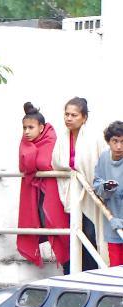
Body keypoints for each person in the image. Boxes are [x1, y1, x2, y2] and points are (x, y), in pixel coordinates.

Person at [51, 97, 105, 271]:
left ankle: (93, 272)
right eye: (66, 114)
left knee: (90, 233)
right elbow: (56, 162)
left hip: (89, 193)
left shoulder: (94, 138)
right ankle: (73, 273)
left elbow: (98, 163)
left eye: (74, 115)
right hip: (68, 193)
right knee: (71, 235)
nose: (69, 118)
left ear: (84, 117)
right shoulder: (62, 139)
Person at [17, 102, 70, 270]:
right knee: (44, 226)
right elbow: (25, 166)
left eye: (30, 127)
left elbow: (45, 163)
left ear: (41, 128)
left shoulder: (50, 140)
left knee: (58, 228)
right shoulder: (26, 143)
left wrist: (32, 153)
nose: (26, 132)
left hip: (54, 195)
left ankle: (69, 264)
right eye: (24, 128)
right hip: (36, 194)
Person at [92, 121, 123, 267]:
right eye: (115, 141)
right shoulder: (104, 158)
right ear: (108, 141)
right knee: (116, 268)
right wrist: (106, 187)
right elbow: (97, 184)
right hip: (113, 221)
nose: (119, 146)